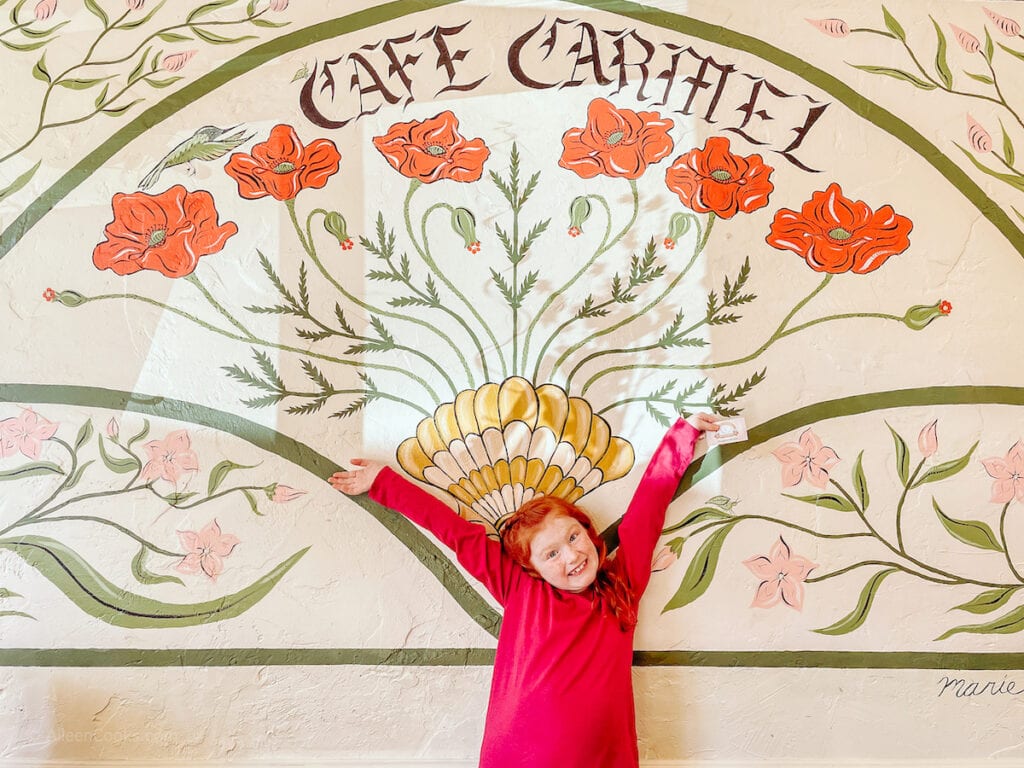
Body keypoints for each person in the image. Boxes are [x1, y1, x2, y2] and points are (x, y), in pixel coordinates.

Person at [329, 412, 719, 767]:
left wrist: (683, 435)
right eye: (551, 553)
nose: (572, 555)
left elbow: (645, 513)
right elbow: (456, 533)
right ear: (531, 567)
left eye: (573, 536)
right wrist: (385, 484)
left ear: (587, 530)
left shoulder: (620, 586)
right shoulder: (520, 590)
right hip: (515, 757)